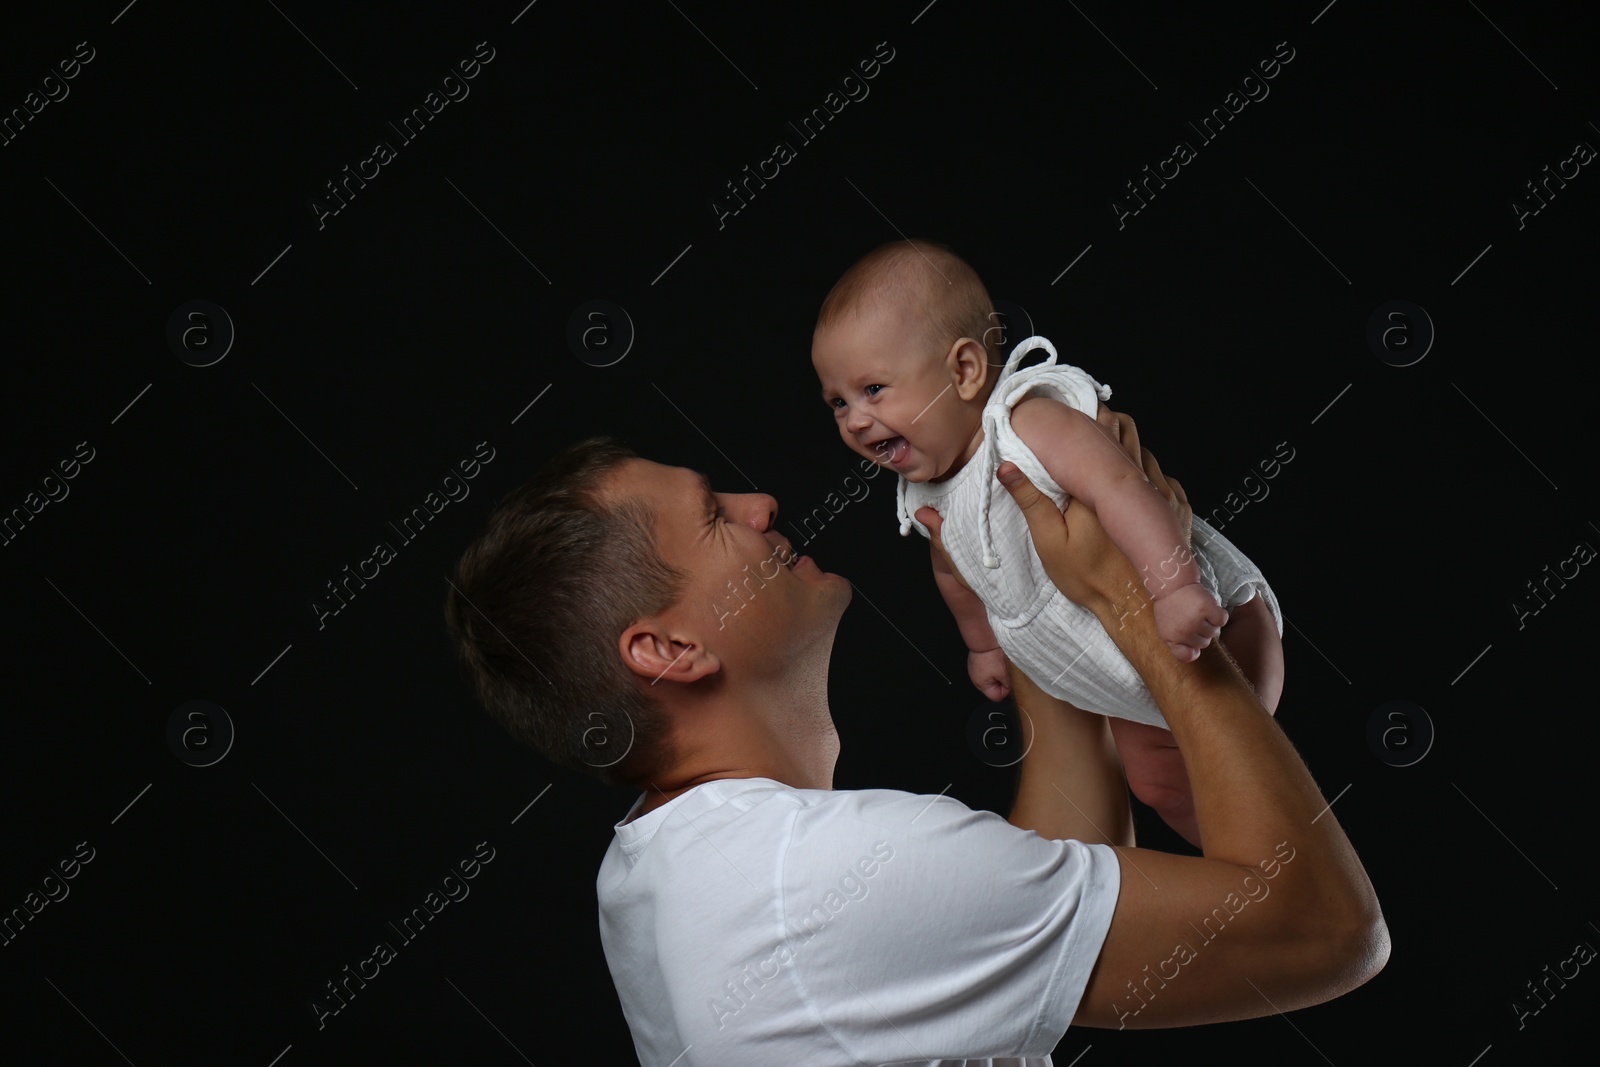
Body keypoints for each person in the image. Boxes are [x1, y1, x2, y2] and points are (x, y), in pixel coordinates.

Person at [443, 423, 1387, 1066]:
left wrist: (1020, 588)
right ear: (670, 649)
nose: (761, 502)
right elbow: (1324, 931)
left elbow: (1048, 890)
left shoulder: (665, 872)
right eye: (714, 517)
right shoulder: (811, 877)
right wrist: (1149, 608)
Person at [811, 239, 1285, 847]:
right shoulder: (927, 494)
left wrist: (1176, 586)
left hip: (1210, 620)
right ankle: (1252, 876)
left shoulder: (1026, 424)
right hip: (1116, 671)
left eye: (873, 390)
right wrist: (983, 647)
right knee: (1158, 786)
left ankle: (1276, 860)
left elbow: (1122, 487)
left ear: (963, 371)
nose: (854, 419)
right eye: (837, 403)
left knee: (1241, 752)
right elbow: (955, 574)